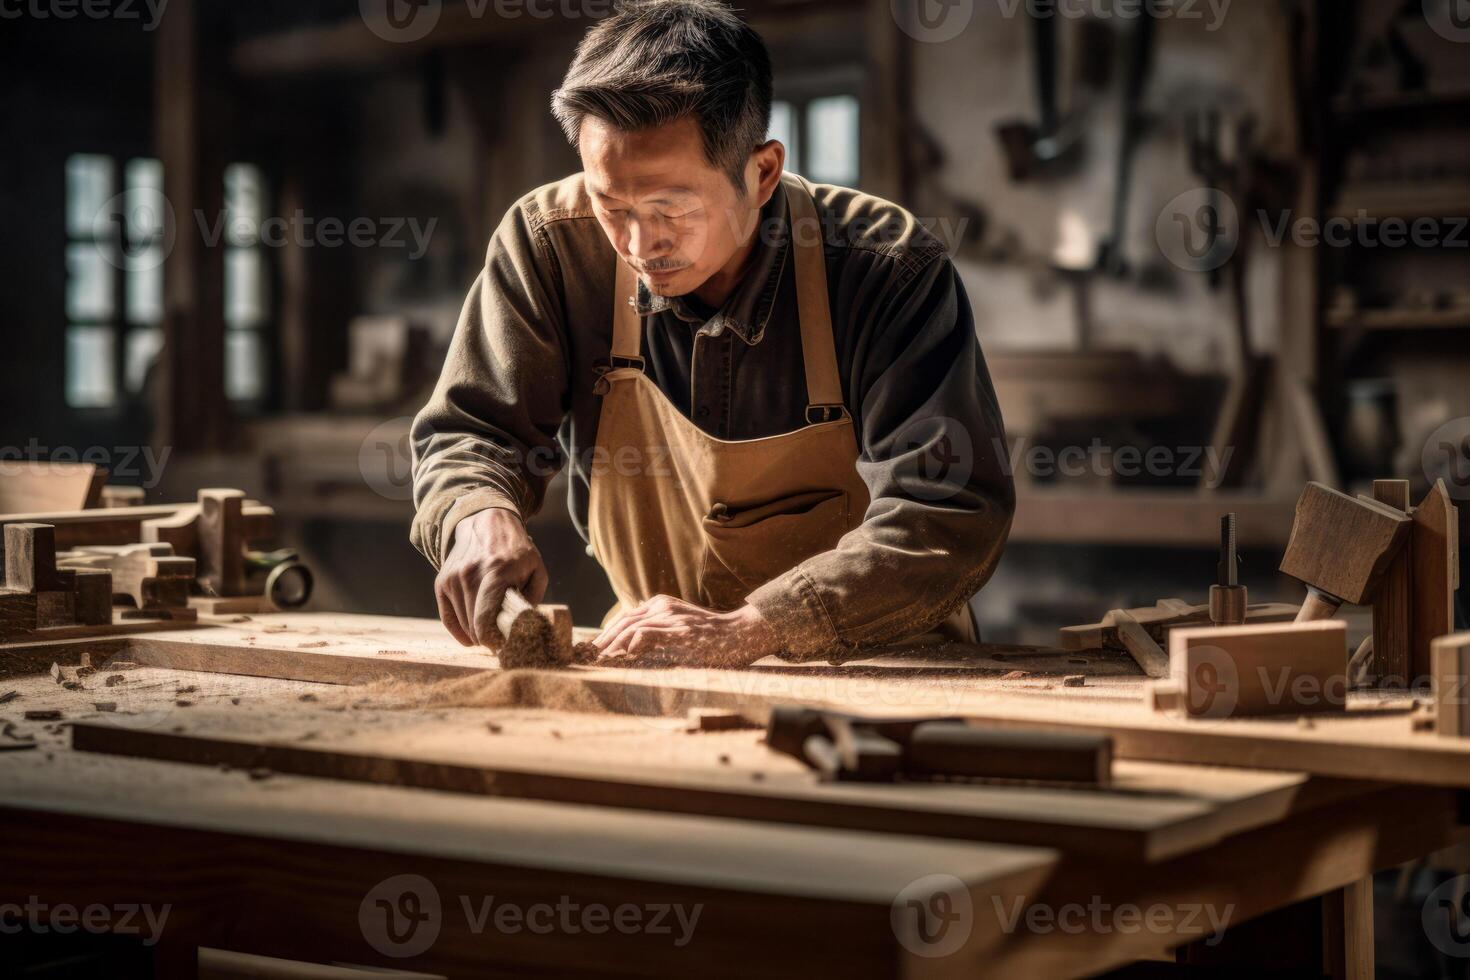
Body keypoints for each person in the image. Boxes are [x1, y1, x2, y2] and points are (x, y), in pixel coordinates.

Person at [411, 0, 1013, 667]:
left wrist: (752, 628)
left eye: (671, 209)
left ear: (762, 173)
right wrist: (476, 515)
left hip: (883, 670)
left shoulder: (885, 267)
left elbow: (948, 511)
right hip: (656, 662)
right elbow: (473, 433)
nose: (640, 245)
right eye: (613, 208)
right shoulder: (551, 245)